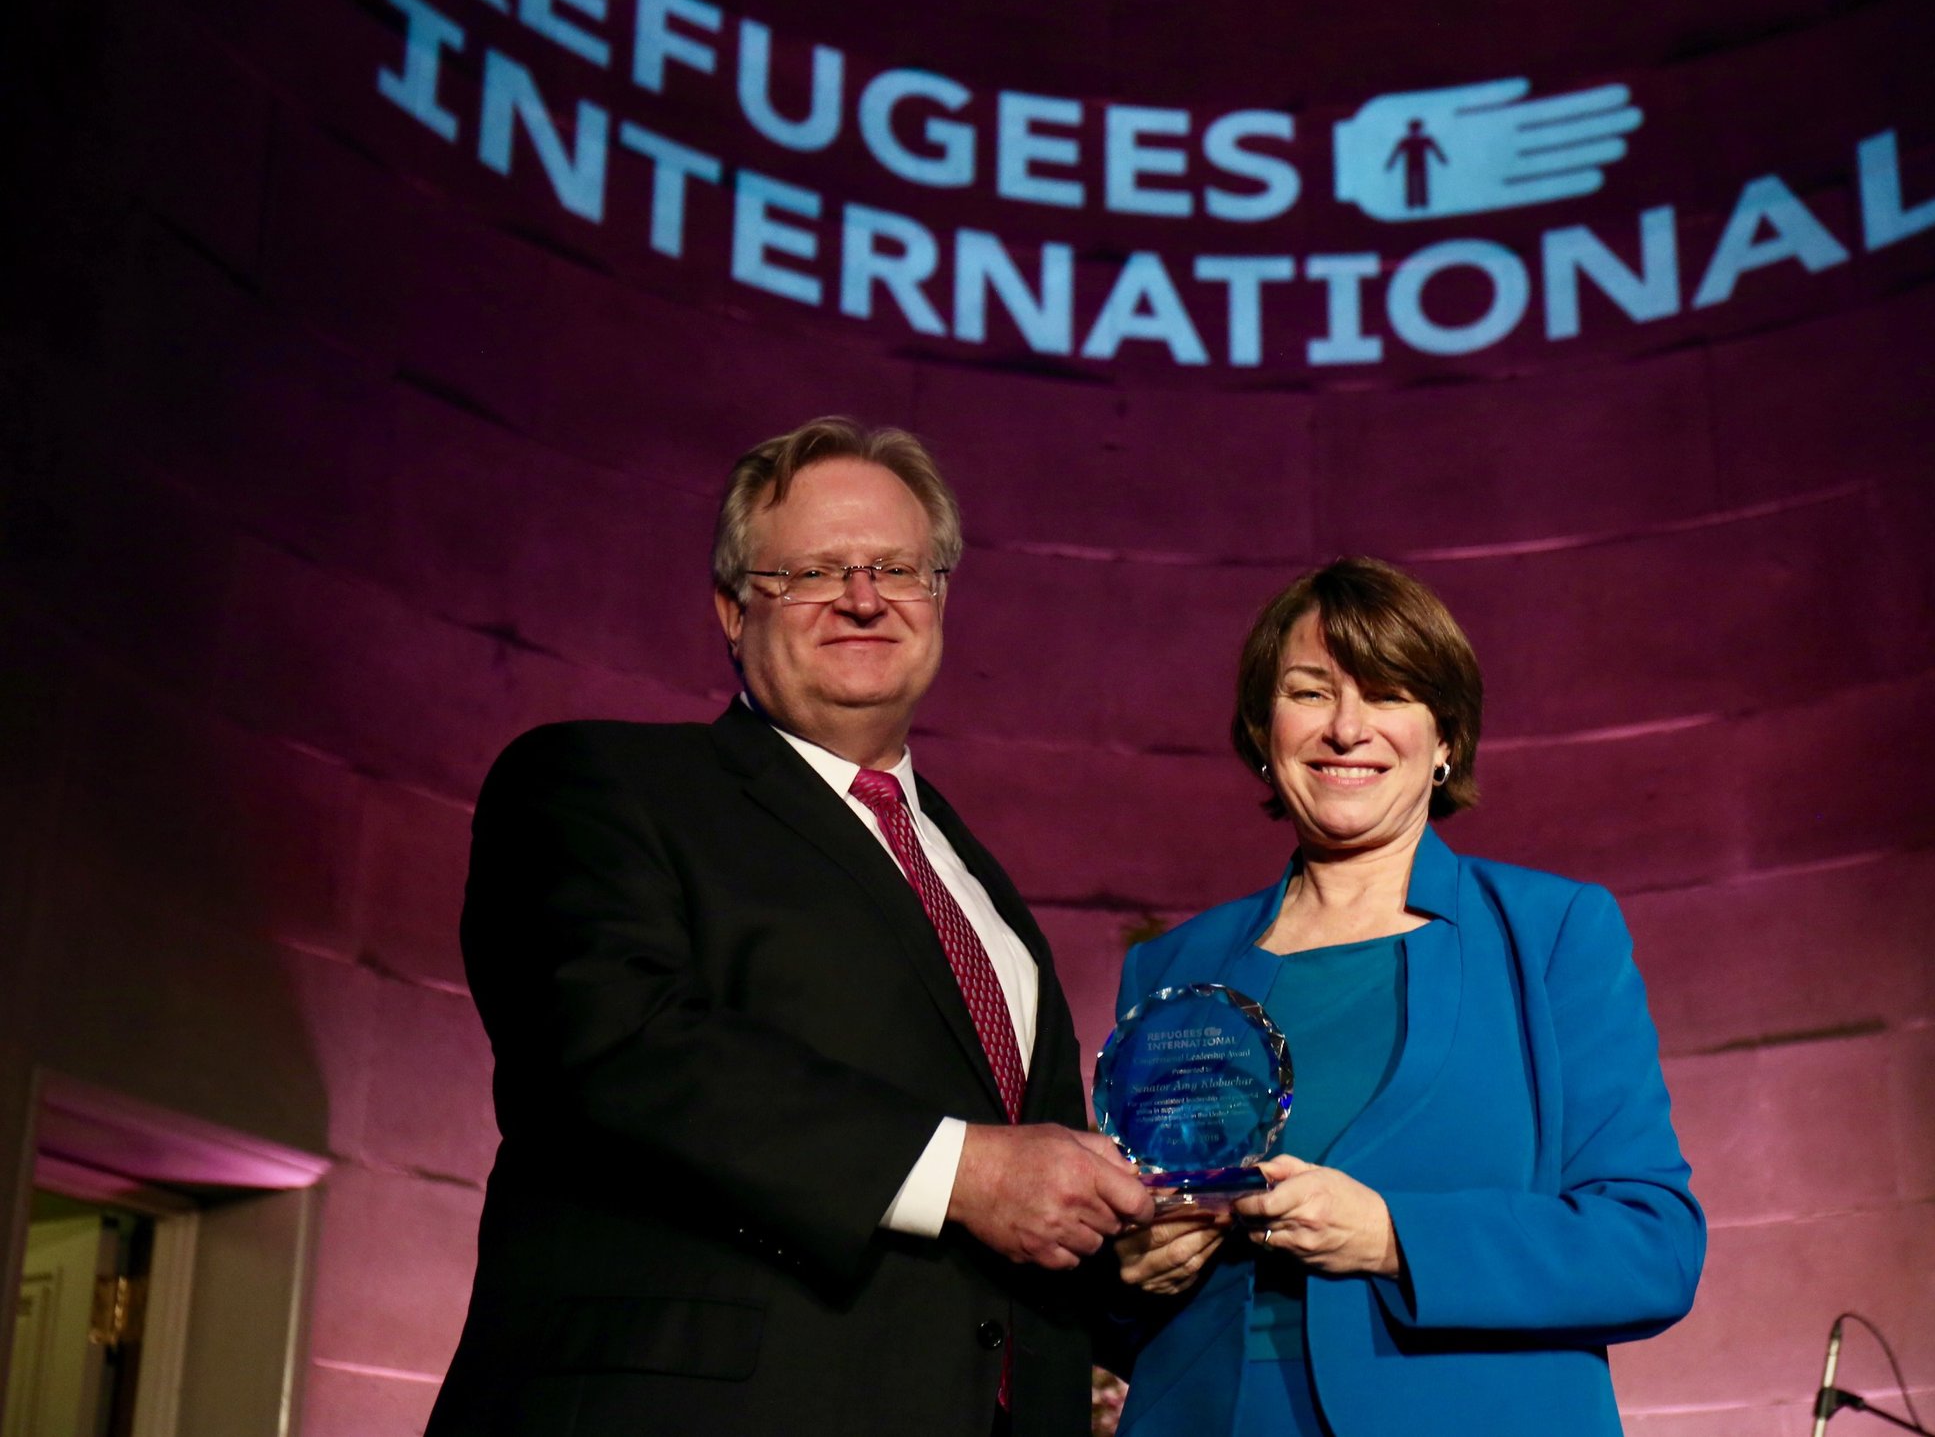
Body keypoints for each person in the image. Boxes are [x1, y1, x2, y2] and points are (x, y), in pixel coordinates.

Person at [425, 417, 1152, 1437]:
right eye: (812, 570)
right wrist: (965, 1171)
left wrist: (1141, 1248)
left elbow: (1033, 1197)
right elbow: (613, 1045)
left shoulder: (982, 886)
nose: (863, 595)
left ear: (939, 599)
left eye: (898, 567)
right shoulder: (598, 782)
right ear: (732, 607)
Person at [1106, 558, 1704, 1437]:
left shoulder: (1552, 932)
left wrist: (1395, 1237)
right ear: (1262, 731)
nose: (1348, 728)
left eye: (1388, 694)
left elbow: (1651, 1245)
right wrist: (1126, 1267)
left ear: (1446, 736)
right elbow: (1108, 1273)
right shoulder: (1173, 965)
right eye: (1311, 692)